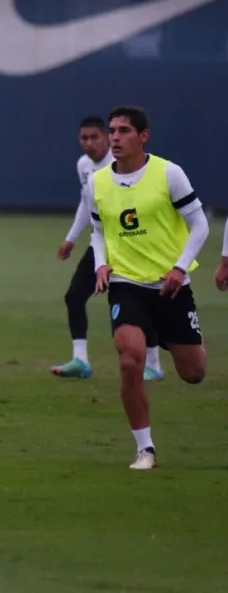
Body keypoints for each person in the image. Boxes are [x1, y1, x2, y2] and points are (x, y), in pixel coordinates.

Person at [86, 106, 208, 470]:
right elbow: (98, 231)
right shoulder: (98, 183)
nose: (115, 138)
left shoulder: (169, 173)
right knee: (129, 360)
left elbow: (200, 224)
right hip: (125, 284)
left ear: (143, 136)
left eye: (124, 131)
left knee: (194, 373)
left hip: (170, 285)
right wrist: (101, 264)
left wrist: (179, 268)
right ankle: (145, 449)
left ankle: (167, 335)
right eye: (112, 131)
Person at [52, 116, 164, 381]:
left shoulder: (122, 163)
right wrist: (71, 238)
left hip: (131, 242)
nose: (89, 143)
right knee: (74, 296)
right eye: (83, 138)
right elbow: (86, 203)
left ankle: (154, 364)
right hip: (102, 242)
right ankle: (80, 360)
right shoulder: (84, 166)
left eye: (94, 137)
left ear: (106, 137)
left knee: (140, 300)